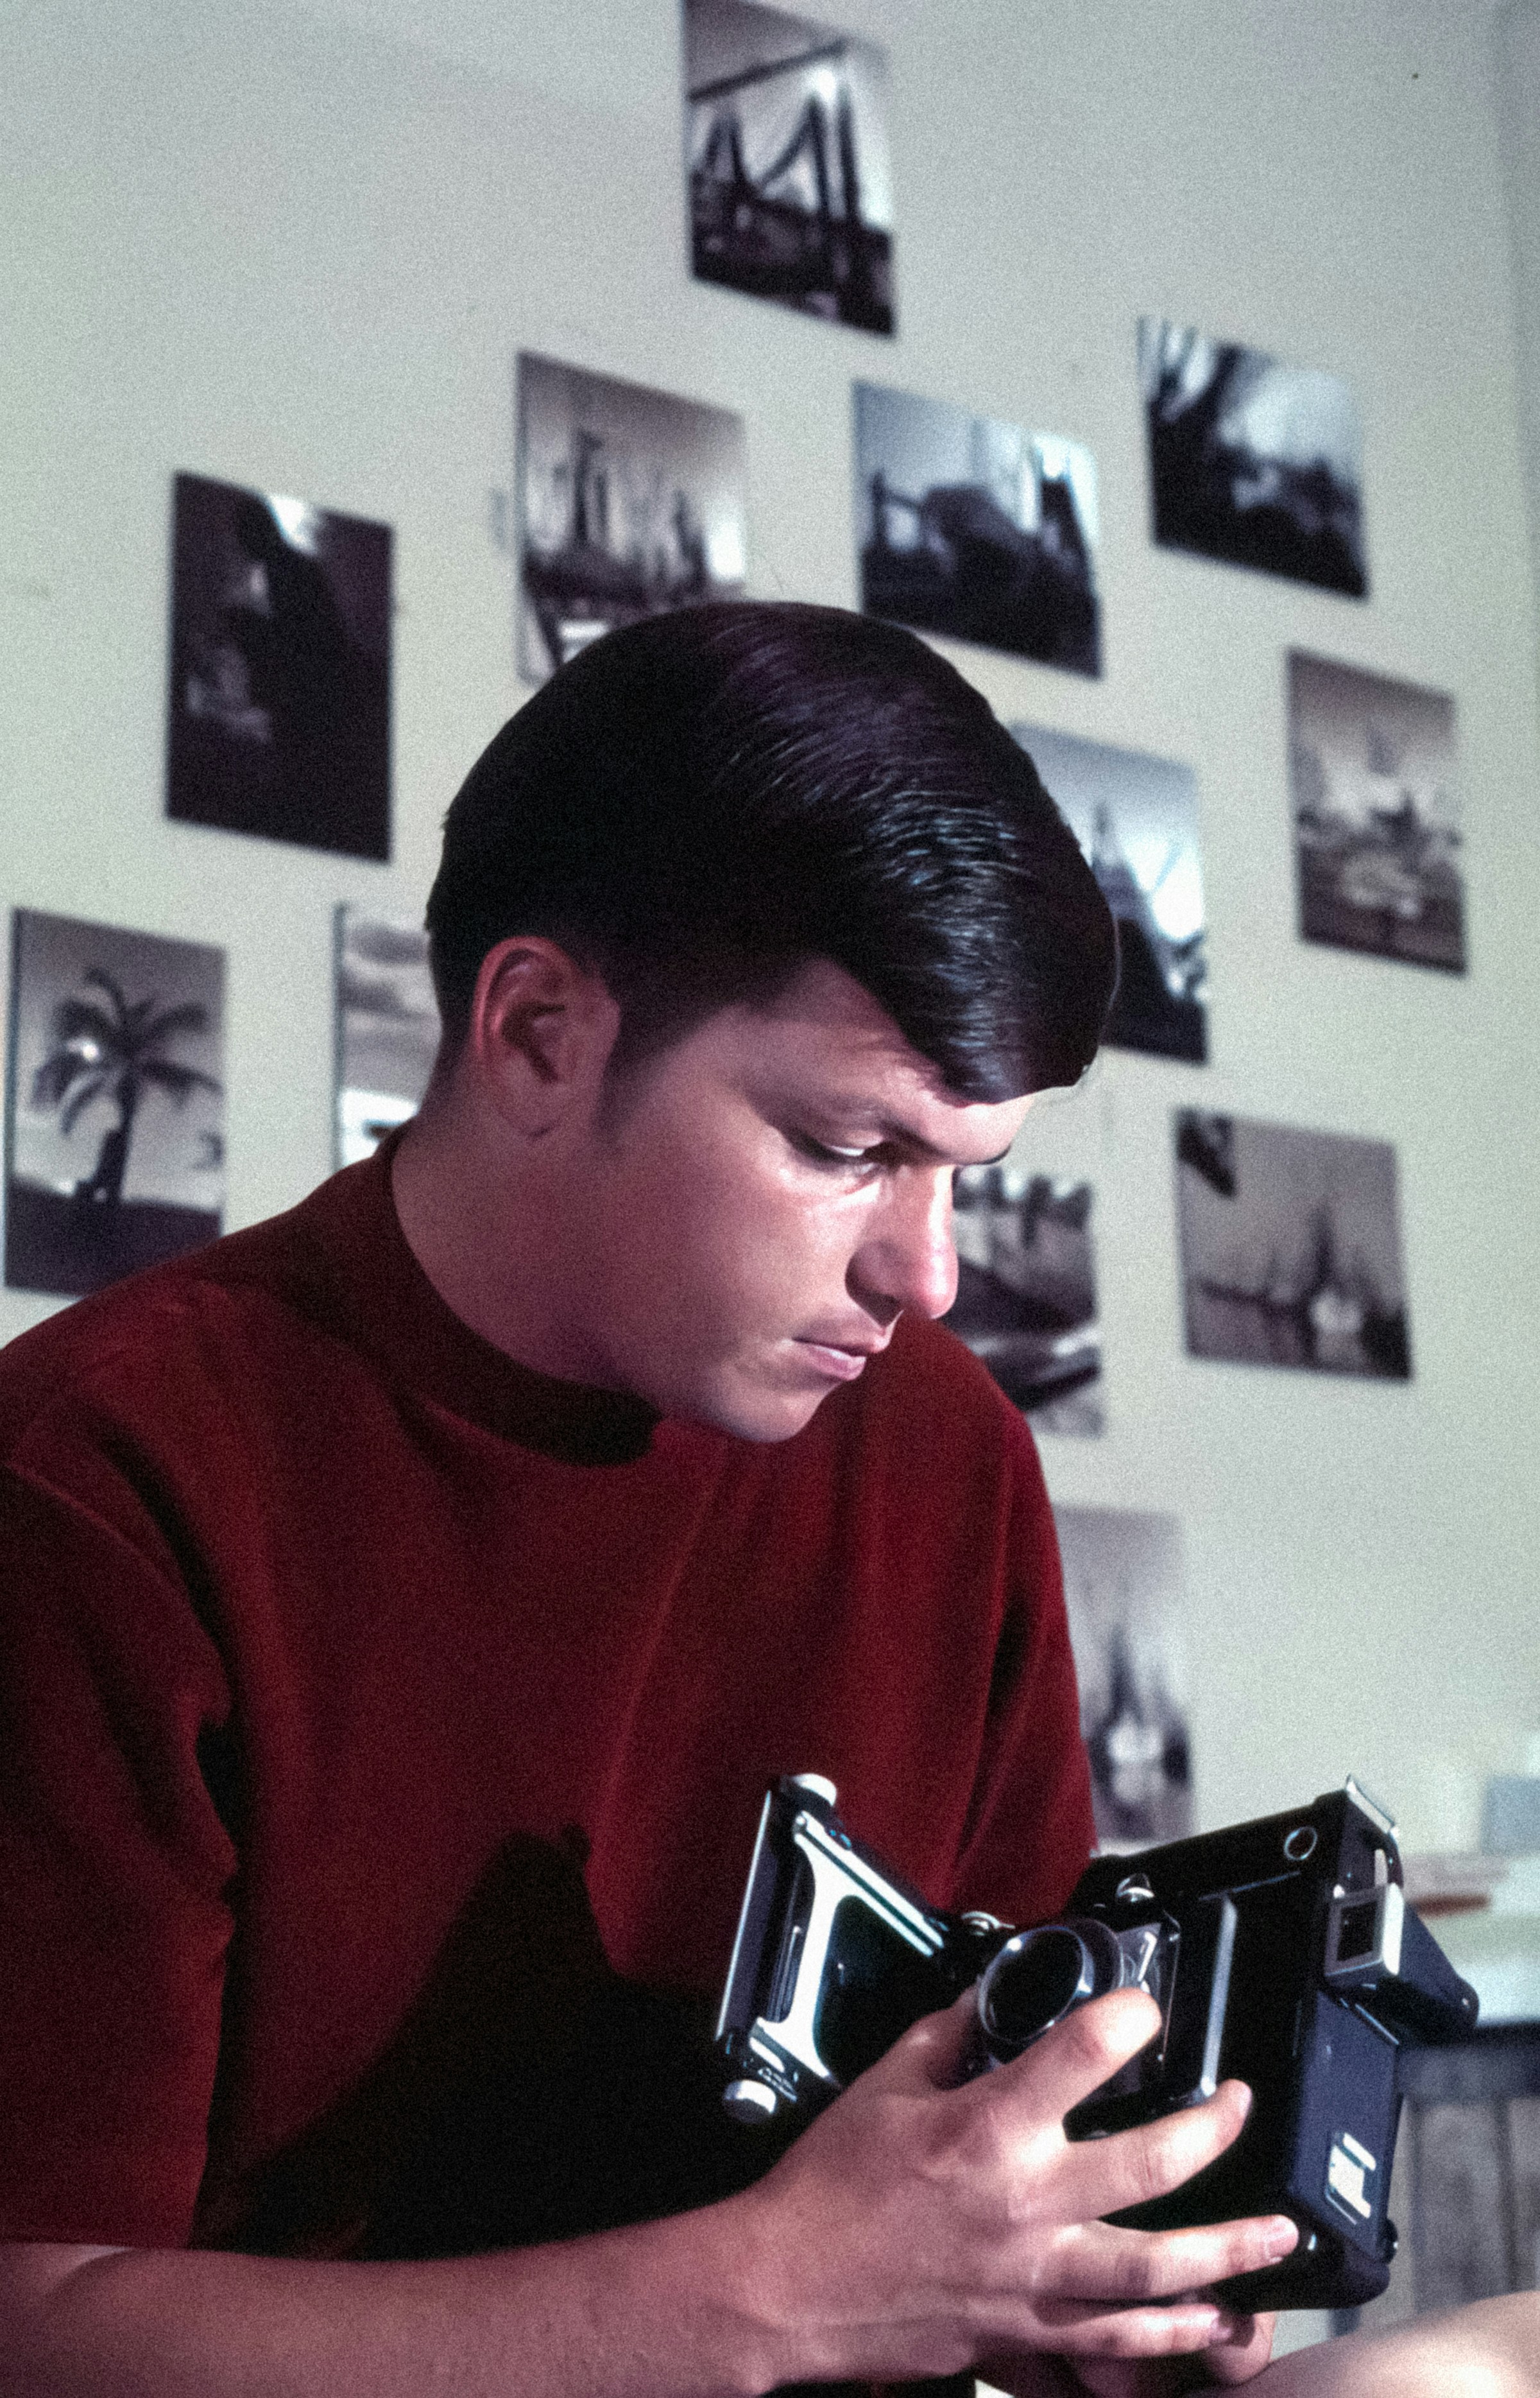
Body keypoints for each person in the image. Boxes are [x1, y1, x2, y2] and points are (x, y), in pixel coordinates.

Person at [0, 602, 1532, 2397]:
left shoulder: (950, 1455)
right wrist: (765, 2298)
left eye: (968, 1173)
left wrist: (1071, 2281)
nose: (930, 1277)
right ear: (541, 1033)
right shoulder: (102, 1481)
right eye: (846, 1148)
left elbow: (972, 2129)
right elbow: (40, 2319)